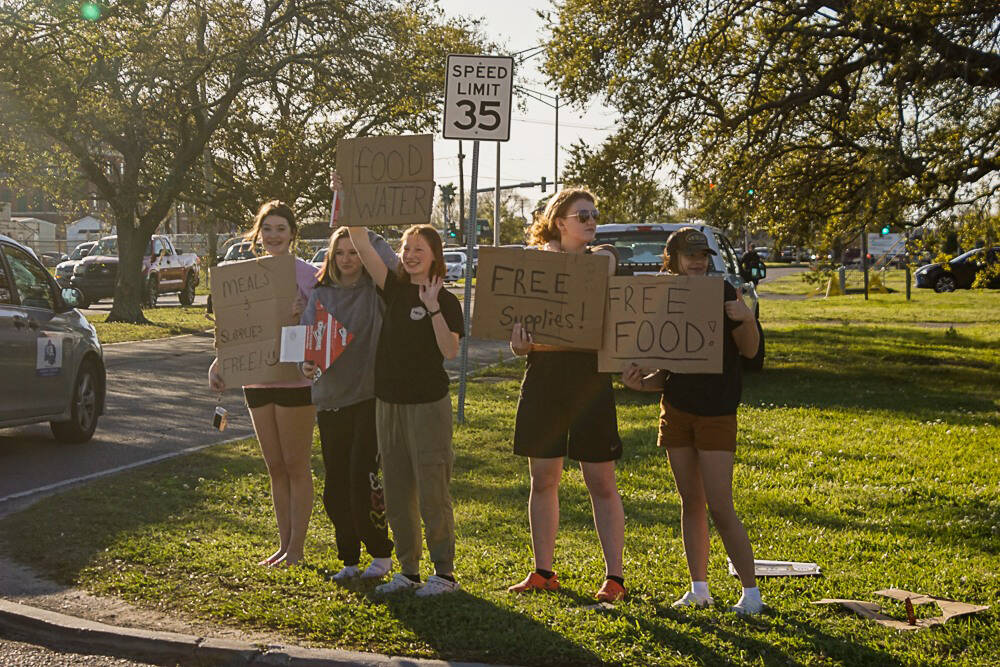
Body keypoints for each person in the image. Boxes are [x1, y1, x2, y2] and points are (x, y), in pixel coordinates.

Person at [622, 227, 764, 615]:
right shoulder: (661, 298)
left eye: (702, 255)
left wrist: (746, 319)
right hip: (677, 411)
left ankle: (752, 594)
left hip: (717, 411)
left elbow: (750, 354)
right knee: (691, 502)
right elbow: (669, 370)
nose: (698, 261)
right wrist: (640, 384)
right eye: (689, 255)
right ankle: (699, 588)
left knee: (720, 504)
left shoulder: (722, 293)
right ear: (673, 260)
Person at [507, 187, 627, 603]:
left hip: (591, 382)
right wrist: (519, 344)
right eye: (583, 215)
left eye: (594, 214)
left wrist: (570, 259)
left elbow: (609, 260)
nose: (592, 221)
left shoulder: (601, 259)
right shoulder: (534, 266)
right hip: (543, 380)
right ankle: (543, 572)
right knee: (543, 478)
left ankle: (615, 578)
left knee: (601, 479)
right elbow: (517, 336)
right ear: (560, 222)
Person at [345, 211, 464, 597]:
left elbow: (449, 351)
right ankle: (408, 571)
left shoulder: (446, 299)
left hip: (428, 404)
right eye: (406, 248)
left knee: (432, 489)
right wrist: (348, 199)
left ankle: (443, 573)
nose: (410, 254)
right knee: (396, 491)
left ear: (434, 256)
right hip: (388, 402)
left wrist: (431, 307)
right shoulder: (393, 289)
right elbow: (361, 242)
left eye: (419, 249)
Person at [208, 201, 317, 567]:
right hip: (255, 380)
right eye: (267, 228)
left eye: (280, 228)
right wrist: (220, 362)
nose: (273, 235)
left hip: (294, 380)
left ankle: (297, 550)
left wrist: (305, 314)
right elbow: (234, 329)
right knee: (275, 466)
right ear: (258, 233)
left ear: (292, 234)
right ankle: (283, 545)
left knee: (296, 464)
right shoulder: (240, 276)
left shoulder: (308, 275)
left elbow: (327, 325)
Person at [300, 226, 399, 581]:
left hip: (369, 397)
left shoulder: (378, 290)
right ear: (330, 256)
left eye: (354, 252)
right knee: (335, 485)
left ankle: (381, 553)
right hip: (330, 401)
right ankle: (349, 560)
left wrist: (360, 225)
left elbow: (389, 260)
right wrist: (306, 363)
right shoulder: (321, 293)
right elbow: (307, 342)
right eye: (340, 253)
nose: (347, 259)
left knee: (363, 477)